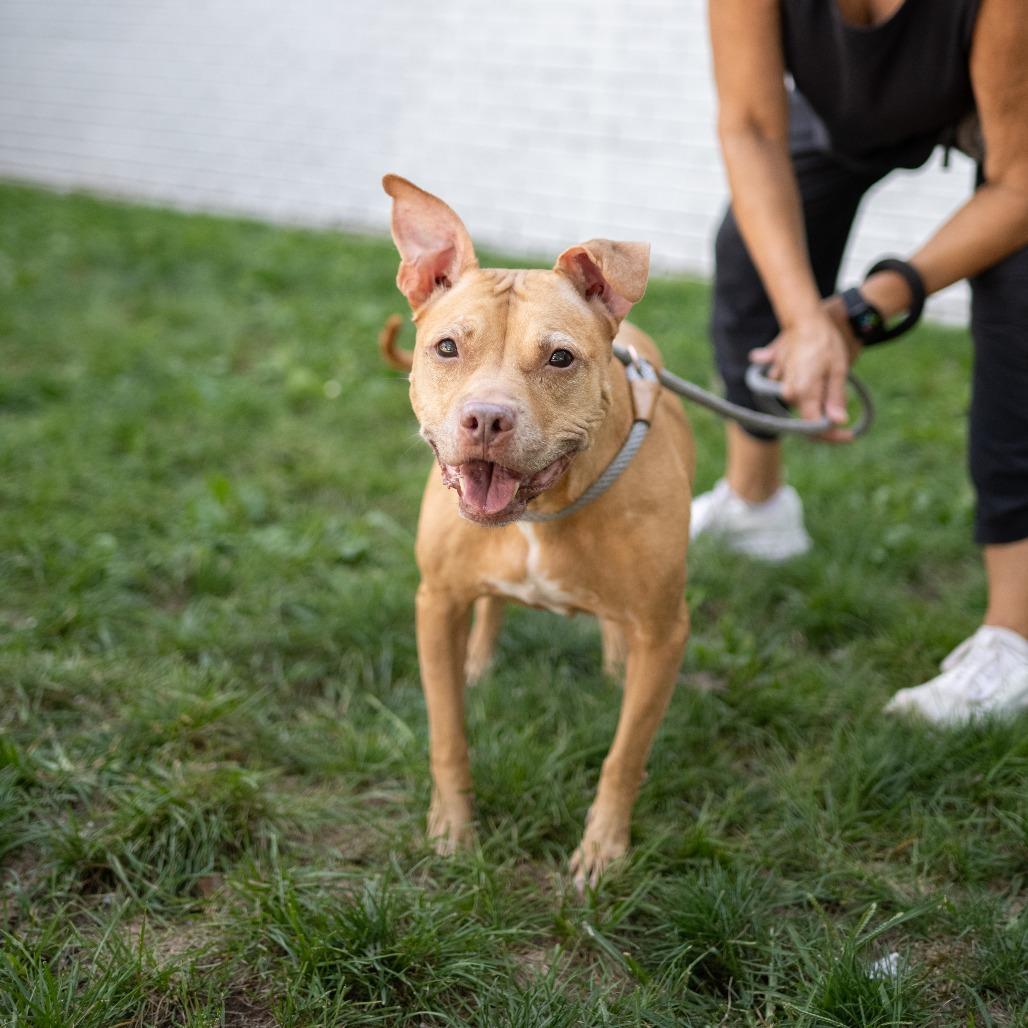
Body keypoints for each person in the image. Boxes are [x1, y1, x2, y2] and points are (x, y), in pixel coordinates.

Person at [696, 0, 1028, 723]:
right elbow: (751, 129)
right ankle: (756, 508)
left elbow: (1018, 182)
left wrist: (863, 309)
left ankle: (1016, 640)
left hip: (1010, 138)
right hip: (848, 116)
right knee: (751, 254)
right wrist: (802, 318)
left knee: (1021, 303)